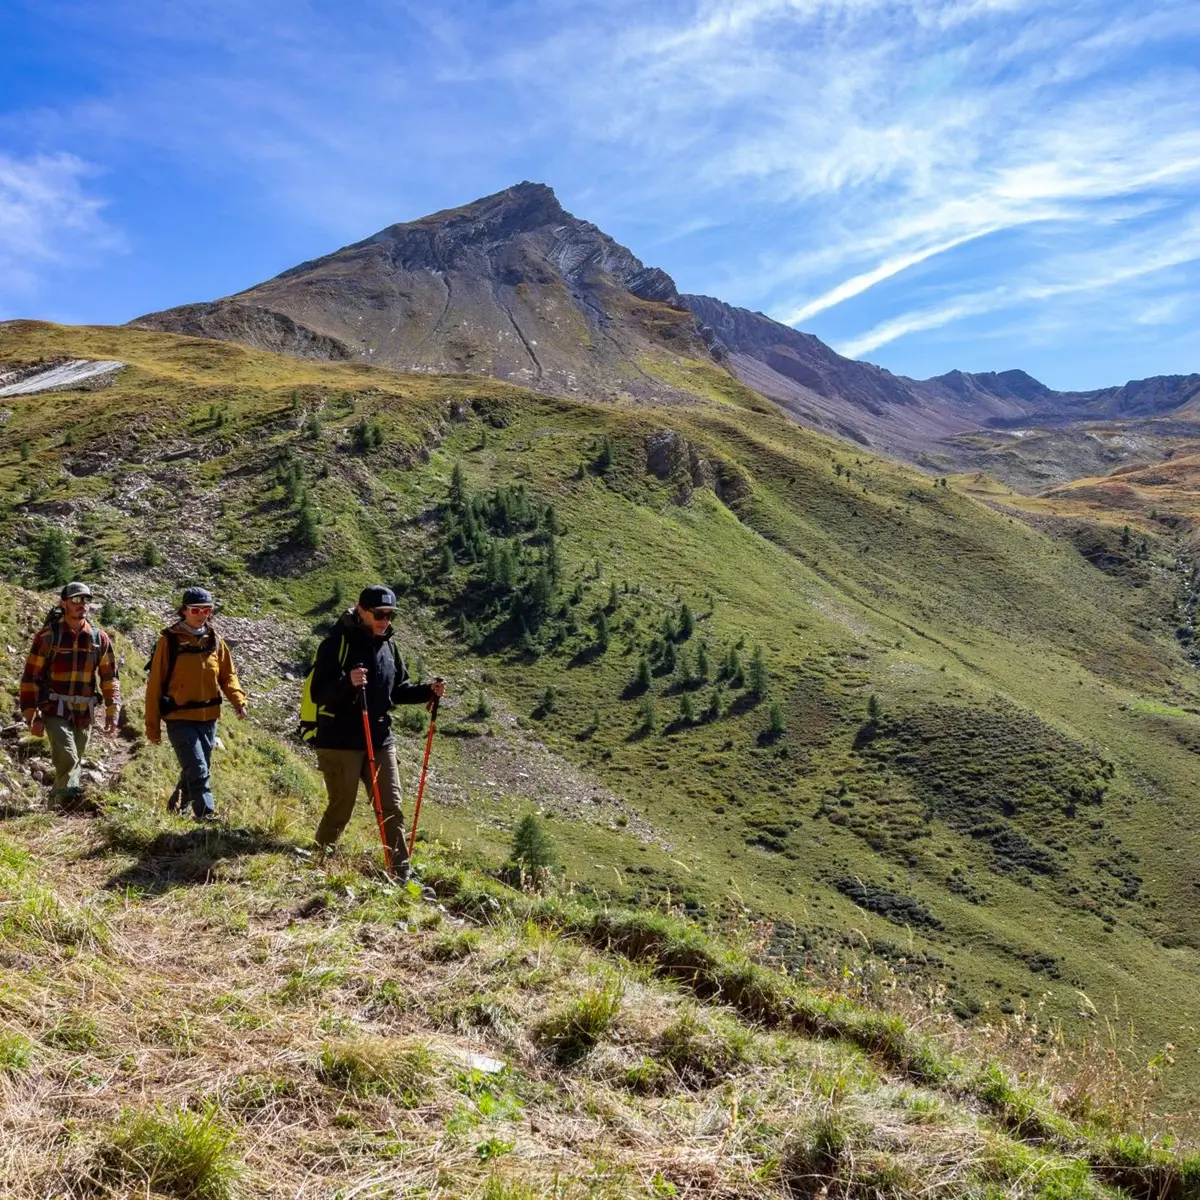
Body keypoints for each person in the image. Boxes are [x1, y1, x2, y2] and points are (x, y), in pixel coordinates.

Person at [310, 585, 445, 879]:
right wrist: (349, 683)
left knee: (391, 807)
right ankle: (319, 861)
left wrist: (427, 691)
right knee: (341, 806)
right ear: (361, 610)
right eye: (379, 614)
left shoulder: (389, 646)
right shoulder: (336, 643)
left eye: (390, 615)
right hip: (340, 740)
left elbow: (397, 690)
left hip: (381, 737)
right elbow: (318, 694)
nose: (385, 621)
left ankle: (400, 873)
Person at [144, 586, 247, 823]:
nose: (202, 614)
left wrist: (238, 701)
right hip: (179, 718)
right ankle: (206, 815)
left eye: (207, 609)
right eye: (196, 609)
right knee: (199, 768)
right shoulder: (168, 641)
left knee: (196, 768)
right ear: (184, 611)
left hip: (208, 717)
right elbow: (155, 685)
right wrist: (152, 725)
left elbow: (228, 676)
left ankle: (176, 808)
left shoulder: (215, 641)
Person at [20, 581, 120, 804]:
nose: (81, 604)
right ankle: (71, 802)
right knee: (69, 757)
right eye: (76, 599)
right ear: (63, 603)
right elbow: (30, 678)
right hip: (54, 707)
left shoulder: (99, 639)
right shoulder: (47, 637)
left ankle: (56, 807)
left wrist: (113, 711)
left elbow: (109, 678)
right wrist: (31, 716)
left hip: (84, 711)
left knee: (73, 762)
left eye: (86, 599)